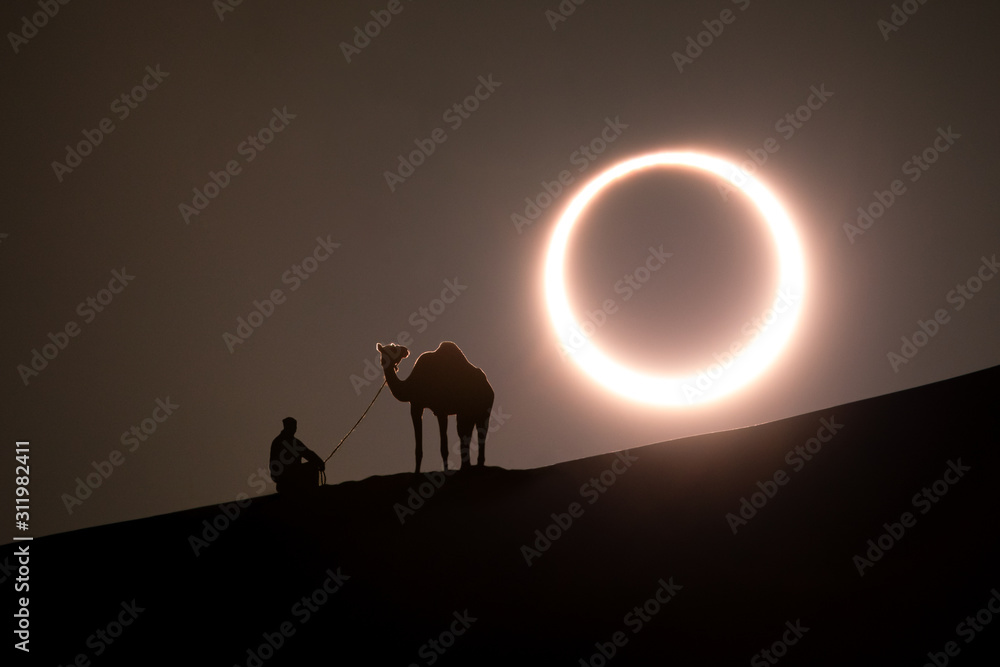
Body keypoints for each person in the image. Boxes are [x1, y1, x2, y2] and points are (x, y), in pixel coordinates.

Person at [269, 417, 325, 495]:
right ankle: (313, 493)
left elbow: (308, 453)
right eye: (293, 427)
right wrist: (319, 462)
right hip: (287, 479)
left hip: (287, 478)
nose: (294, 429)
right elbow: (308, 454)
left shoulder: (281, 441)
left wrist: (319, 461)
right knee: (312, 466)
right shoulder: (287, 442)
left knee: (312, 465)